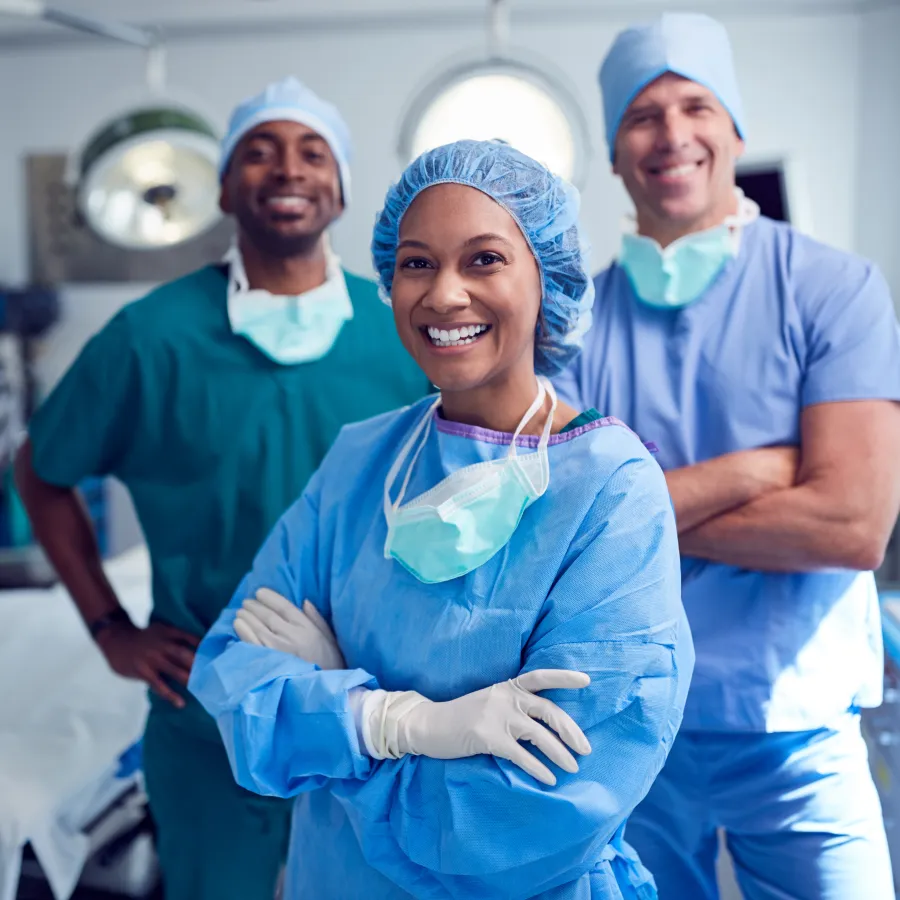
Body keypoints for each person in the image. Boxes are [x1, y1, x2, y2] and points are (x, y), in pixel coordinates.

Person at [188, 139, 694, 900]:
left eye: (485, 259)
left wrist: (336, 718)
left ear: (547, 279)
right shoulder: (362, 462)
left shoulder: (610, 488)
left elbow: (544, 808)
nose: (445, 295)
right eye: (417, 263)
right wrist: (397, 722)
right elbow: (233, 672)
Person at [14, 76, 429, 900]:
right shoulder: (150, 336)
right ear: (225, 186)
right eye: (259, 151)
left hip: (378, 706)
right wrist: (109, 627)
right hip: (210, 718)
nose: (287, 169)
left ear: (341, 188)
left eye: (313, 152)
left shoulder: (404, 331)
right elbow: (40, 472)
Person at [554, 12, 900, 900]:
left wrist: (638, 518)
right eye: (642, 115)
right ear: (613, 150)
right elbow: (561, 539)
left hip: (798, 727)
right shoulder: (575, 332)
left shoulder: (833, 289)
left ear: (733, 127)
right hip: (628, 730)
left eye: (695, 105)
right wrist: (758, 470)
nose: (672, 134)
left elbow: (856, 524)